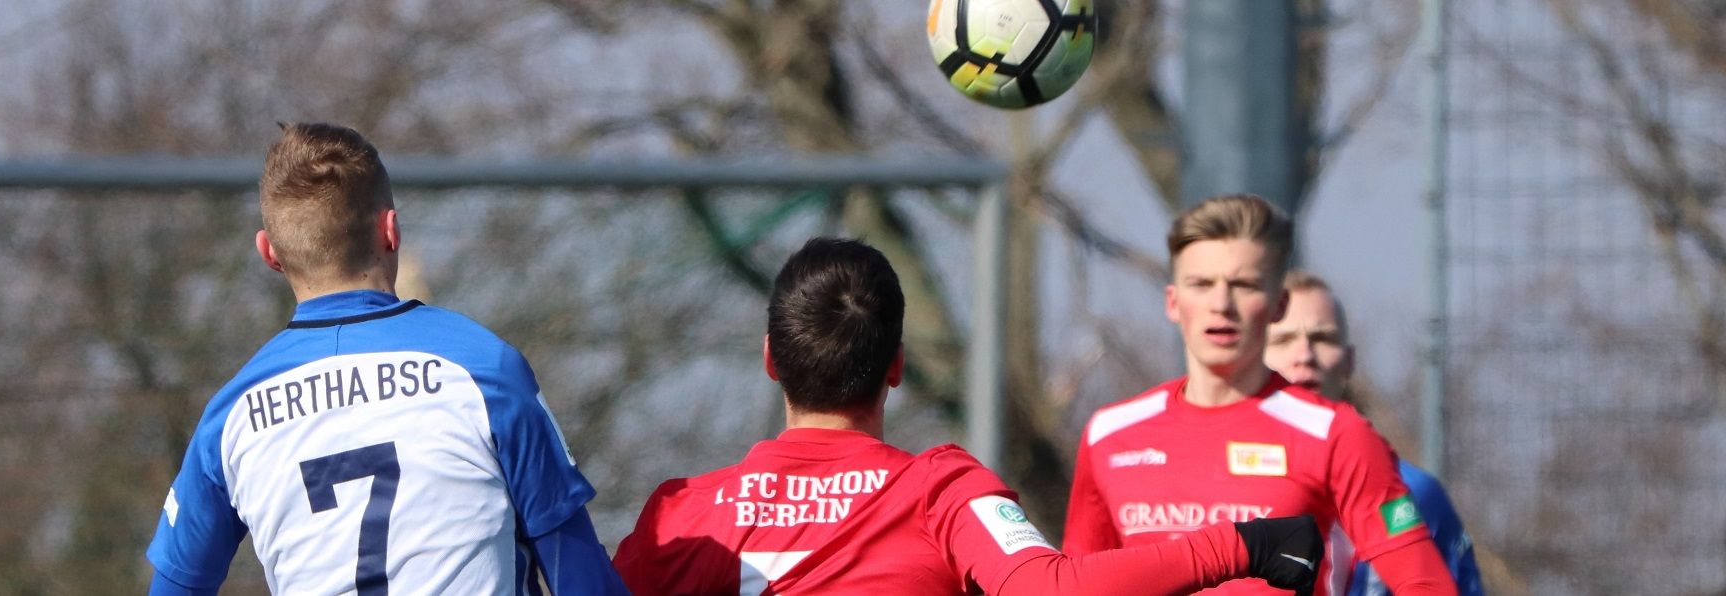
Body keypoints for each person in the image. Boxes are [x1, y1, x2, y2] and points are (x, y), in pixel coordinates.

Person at [612, 237, 1323, 596]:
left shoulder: (678, 515)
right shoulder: (942, 493)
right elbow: (1051, 590)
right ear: (896, 365)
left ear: (770, 358)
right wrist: (1242, 545)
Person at [144, 123, 626, 595]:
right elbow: (578, 575)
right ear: (391, 230)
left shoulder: (230, 418)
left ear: (269, 253)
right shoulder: (484, 371)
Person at [1063, 194, 1456, 595]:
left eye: (1244, 284)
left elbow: (1426, 584)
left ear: (1278, 304)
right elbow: (1074, 585)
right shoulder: (1108, 434)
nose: (1221, 304)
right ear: (1173, 302)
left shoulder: (1336, 433)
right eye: (1201, 284)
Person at [1265, 271, 1484, 595]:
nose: (1305, 356)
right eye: (1283, 340)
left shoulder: (1415, 493)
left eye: (1322, 339)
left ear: (1349, 361)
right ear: (1256, 360)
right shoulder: (1215, 484)